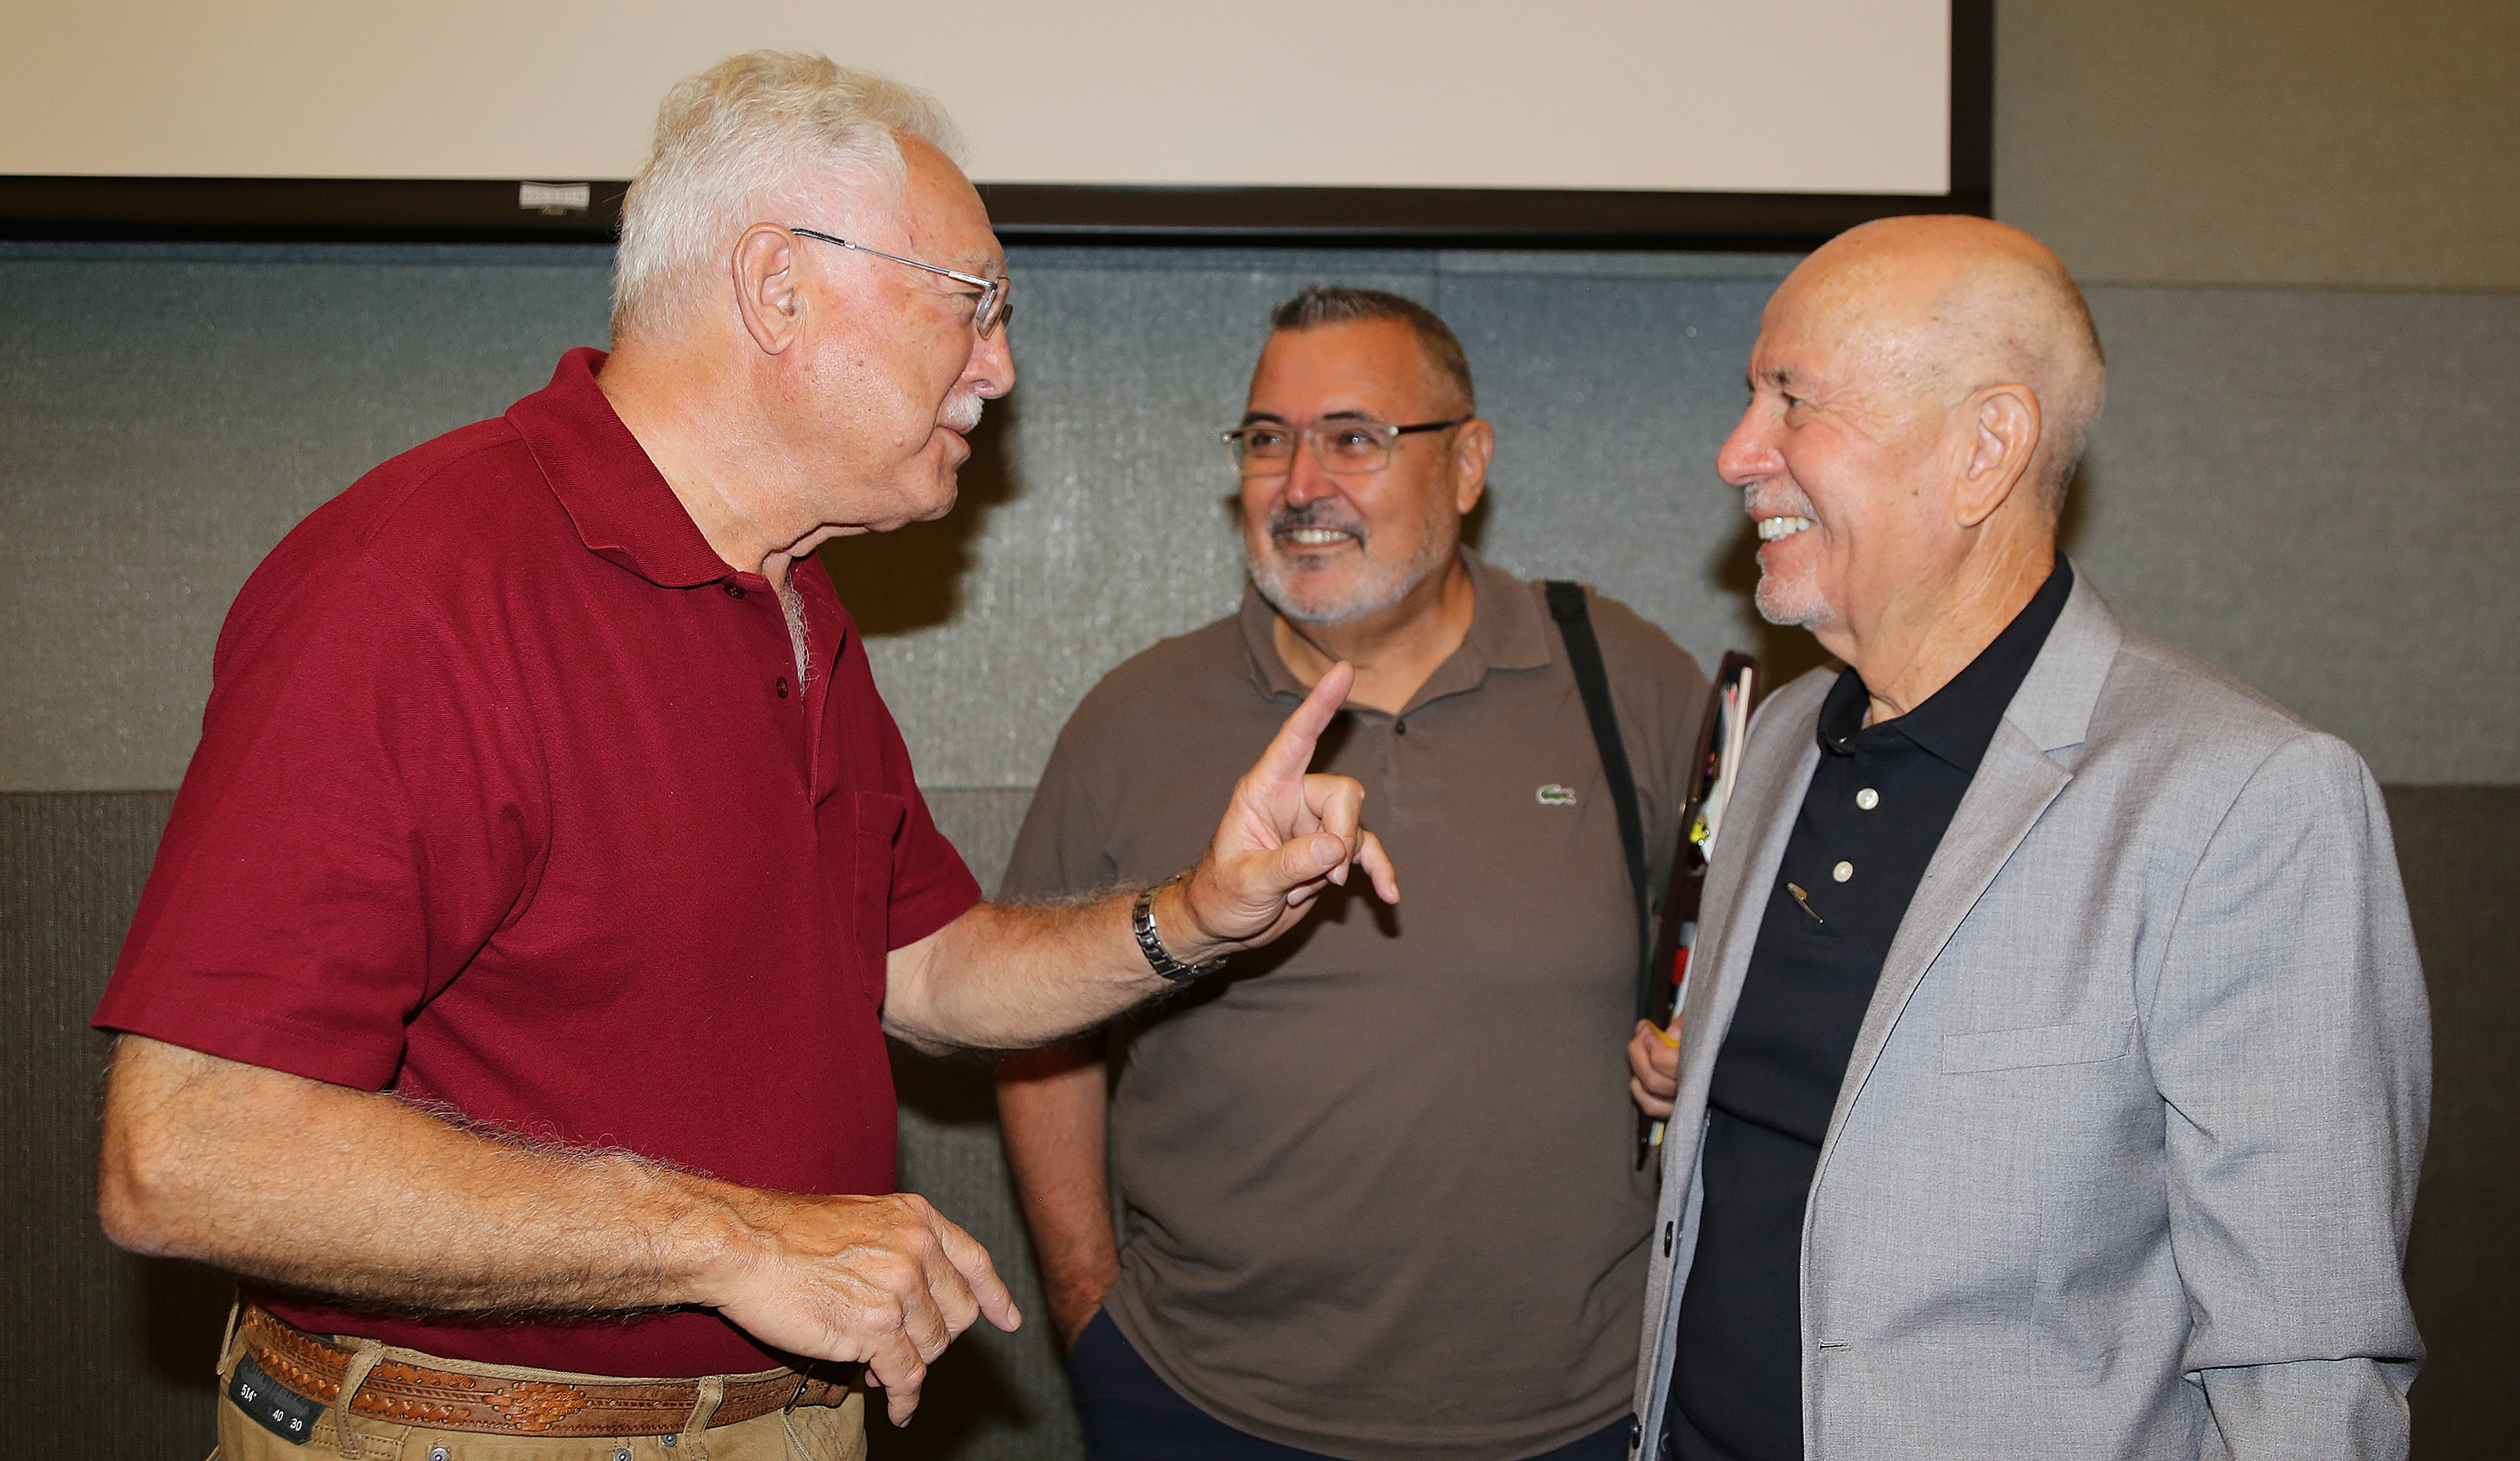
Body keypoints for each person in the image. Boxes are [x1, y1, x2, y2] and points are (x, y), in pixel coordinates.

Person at [91, 52, 1397, 1461]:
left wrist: (1204, 912)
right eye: (975, 302)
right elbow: (186, 1156)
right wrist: (725, 1240)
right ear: (779, 285)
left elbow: (930, 971)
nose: (1001, 368)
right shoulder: (422, 582)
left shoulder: (791, 597)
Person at [1622, 214, 2430, 1459]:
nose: (1738, 453)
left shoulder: (2242, 801)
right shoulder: (1778, 734)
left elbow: (2305, 1360)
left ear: (1985, 448)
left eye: (1793, 399)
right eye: (1751, 398)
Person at [995, 286, 1709, 1461]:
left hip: (1578, 1414)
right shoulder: (1137, 721)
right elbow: (1031, 1028)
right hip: (1206, 1407)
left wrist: (1695, 1056)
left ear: (1468, 463)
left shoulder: (1622, 679)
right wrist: (1092, 1318)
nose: (1298, 480)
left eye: (1354, 438)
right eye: (1267, 439)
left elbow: (1728, 969)